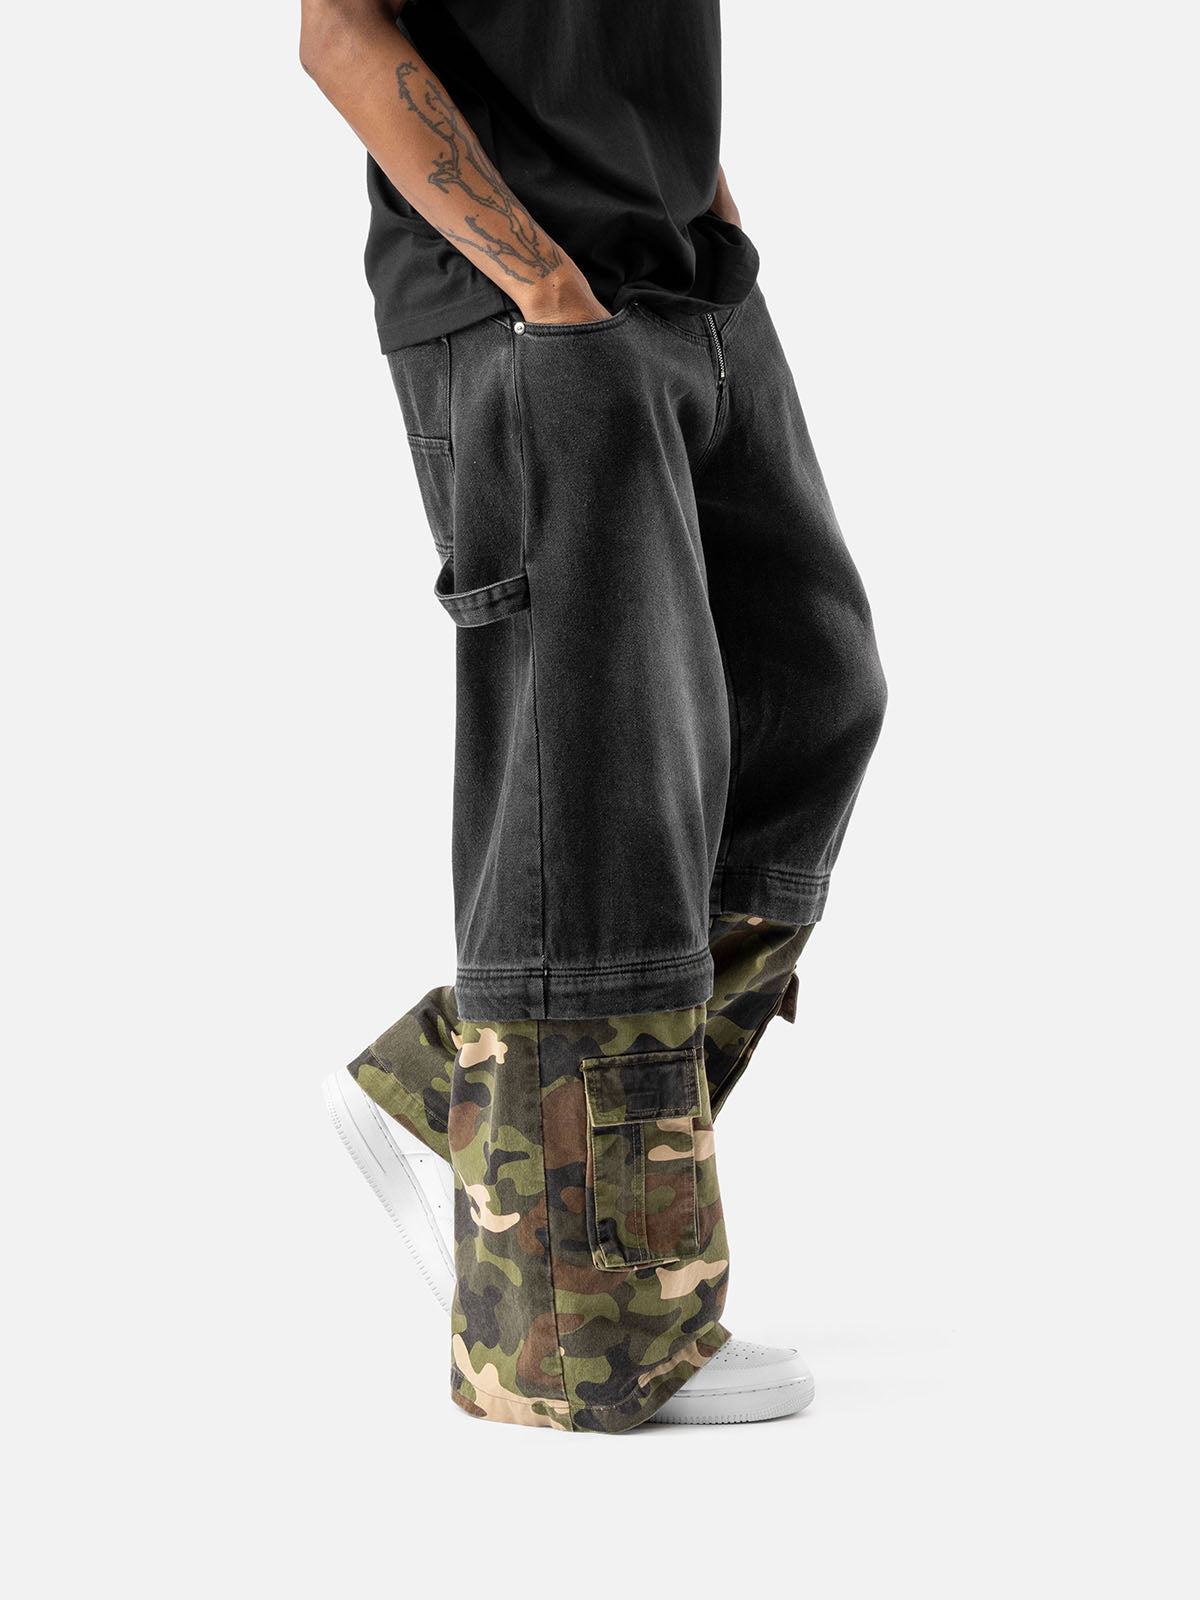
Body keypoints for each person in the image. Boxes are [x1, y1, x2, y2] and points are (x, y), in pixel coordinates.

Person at [300, 0, 887, 1433]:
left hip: (685, 283)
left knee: (813, 697)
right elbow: (338, 31)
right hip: (527, 308)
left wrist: (708, 216)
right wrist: (546, 288)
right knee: (605, 782)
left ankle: (458, 1100)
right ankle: (576, 1331)